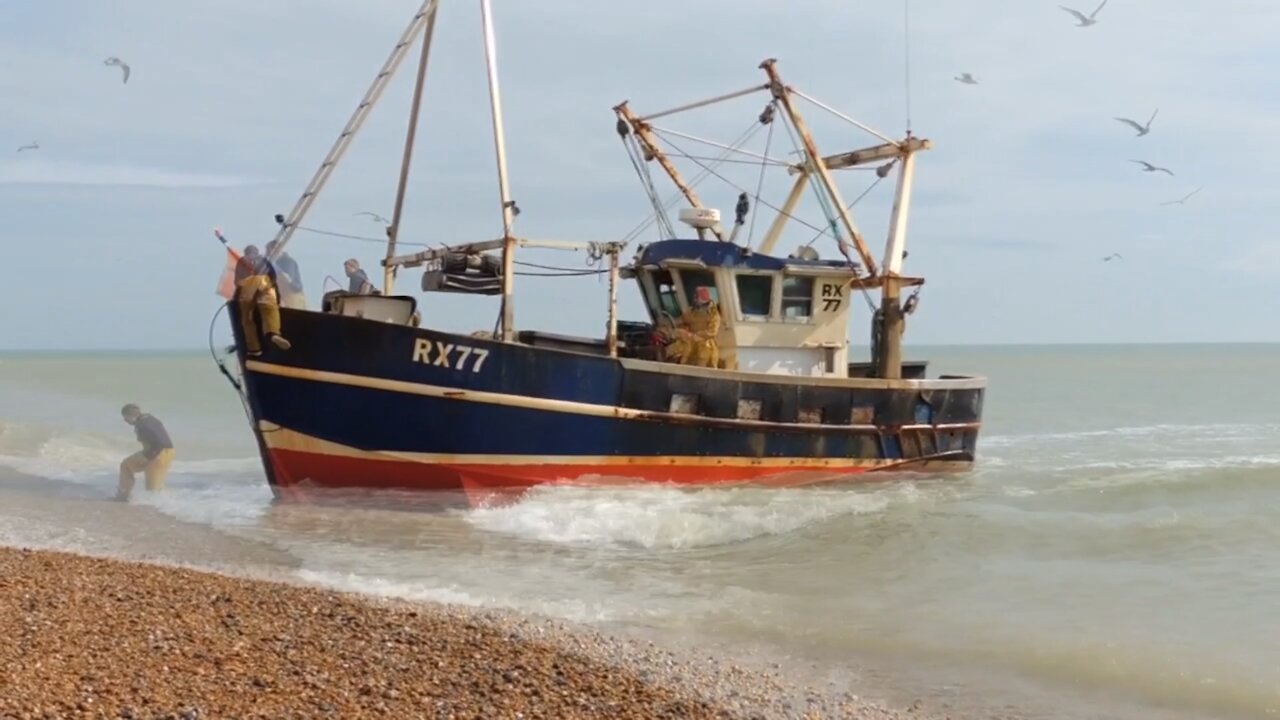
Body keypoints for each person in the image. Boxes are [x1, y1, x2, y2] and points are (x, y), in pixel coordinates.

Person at [236, 245, 291, 357]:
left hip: (248, 285)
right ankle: (273, 334)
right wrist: (278, 300)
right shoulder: (264, 260)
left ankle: (254, 349)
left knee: (247, 319)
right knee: (270, 312)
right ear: (257, 252)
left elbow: (238, 282)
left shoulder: (242, 261)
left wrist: (236, 298)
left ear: (246, 253)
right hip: (266, 284)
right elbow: (273, 277)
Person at [117, 404, 175, 501]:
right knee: (126, 465)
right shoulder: (149, 418)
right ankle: (124, 495)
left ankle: (162, 506)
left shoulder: (143, 425)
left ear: (130, 416)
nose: (125, 421)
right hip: (157, 451)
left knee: (152, 490)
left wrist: (147, 458)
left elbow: (160, 443)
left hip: (161, 454)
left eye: (125, 418)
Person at [664, 286, 721, 368]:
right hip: (691, 344)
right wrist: (672, 330)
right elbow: (681, 321)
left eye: (697, 297)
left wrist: (693, 335)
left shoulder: (713, 314)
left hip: (706, 346)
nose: (694, 299)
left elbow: (712, 332)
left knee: (703, 363)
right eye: (695, 297)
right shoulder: (691, 311)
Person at [265, 239, 306, 310]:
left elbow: (288, 279)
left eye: (269, 251)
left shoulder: (287, 262)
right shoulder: (273, 264)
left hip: (292, 301)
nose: (268, 254)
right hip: (284, 301)